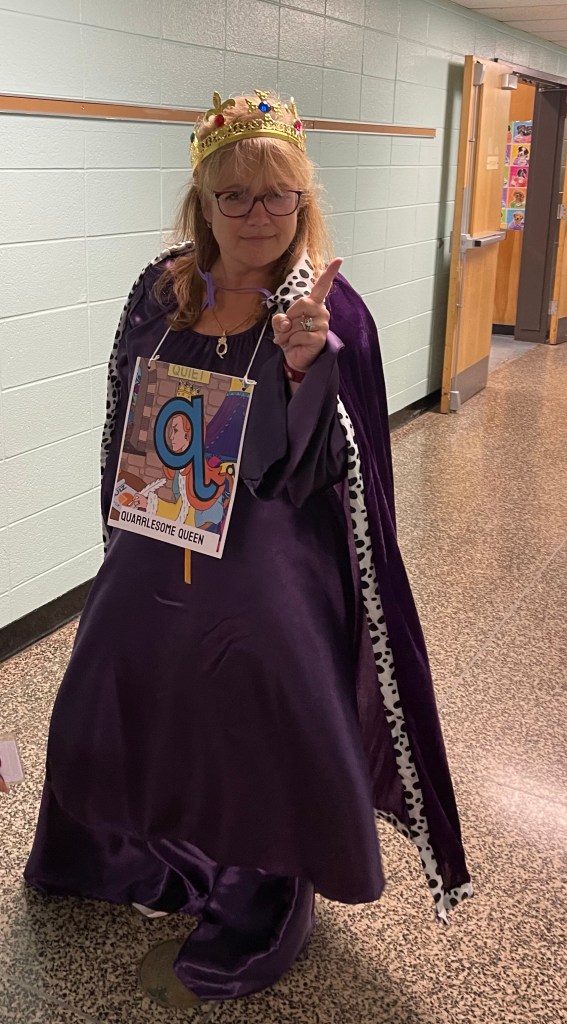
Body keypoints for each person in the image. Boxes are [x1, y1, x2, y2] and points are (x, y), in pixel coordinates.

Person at [24, 90, 472, 1005]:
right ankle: (126, 851)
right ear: (204, 199)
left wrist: (309, 370)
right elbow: (126, 413)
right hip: (161, 533)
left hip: (270, 549)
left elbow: (335, 470)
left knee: (258, 704)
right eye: (235, 194)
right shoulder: (161, 289)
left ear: (304, 200)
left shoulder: (330, 306)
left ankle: (259, 893)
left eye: (278, 195)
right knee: (111, 681)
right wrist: (124, 526)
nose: (258, 215)